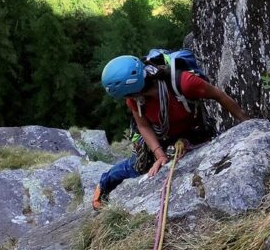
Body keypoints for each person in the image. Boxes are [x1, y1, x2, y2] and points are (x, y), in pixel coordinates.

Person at [92, 54, 248, 209]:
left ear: (132, 89)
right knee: (136, 167)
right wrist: (159, 154)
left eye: (126, 95)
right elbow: (143, 126)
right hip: (160, 136)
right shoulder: (135, 100)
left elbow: (218, 95)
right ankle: (103, 184)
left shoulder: (184, 83)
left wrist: (247, 124)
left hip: (193, 130)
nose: (127, 98)